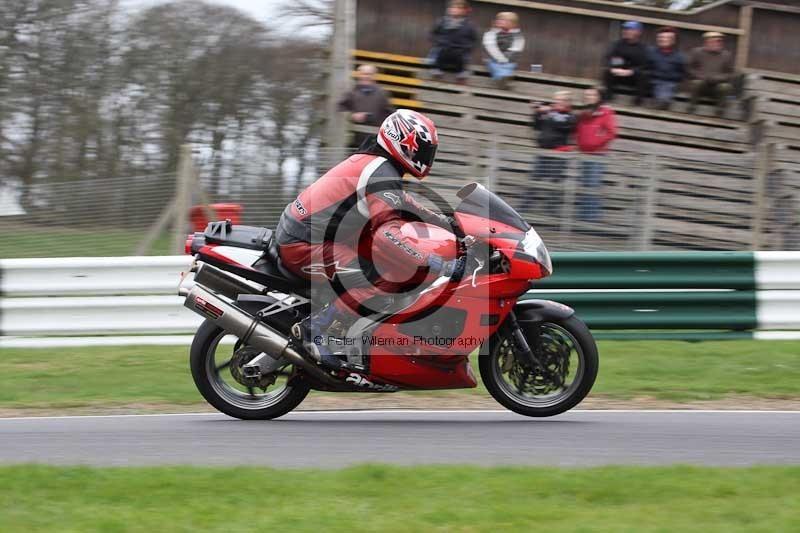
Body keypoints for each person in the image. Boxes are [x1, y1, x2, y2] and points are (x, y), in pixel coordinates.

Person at [276, 110, 462, 370]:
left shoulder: (378, 164)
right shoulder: (381, 171)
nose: (426, 156)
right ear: (405, 142)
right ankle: (314, 333)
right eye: (423, 149)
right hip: (303, 243)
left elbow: (402, 203)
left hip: (308, 235)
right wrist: (436, 263)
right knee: (379, 280)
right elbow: (387, 236)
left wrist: (449, 223)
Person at [531, 91, 576, 215]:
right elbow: (537, 126)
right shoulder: (550, 113)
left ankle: (551, 213)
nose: (557, 102)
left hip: (559, 155)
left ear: (567, 102)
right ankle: (525, 208)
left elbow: (562, 125)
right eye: (556, 100)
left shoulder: (570, 116)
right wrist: (537, 113)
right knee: (533, 181)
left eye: (560, 100)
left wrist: (548, 112)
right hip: (543, 152)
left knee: (555, 185)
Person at [575, 88, 617, 222]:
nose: (589, 97)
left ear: (598, 97)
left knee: (592, 185)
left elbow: (612, 132)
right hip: (584, 154)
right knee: (585, 184)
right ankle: (584, 216)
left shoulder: (605, 112)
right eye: (586, 94)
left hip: (597, 155)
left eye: (592, 94)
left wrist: (596, 144)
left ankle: (591, 218)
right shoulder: (583, 113)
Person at [337, 64, 395, 149]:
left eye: (369, 74)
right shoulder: (351, 93)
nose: (366, 77)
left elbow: (390, 114)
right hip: (354, 141)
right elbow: (340, 108)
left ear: (374, 76)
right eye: (363, 74)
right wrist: (352, 116)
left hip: (375, 141)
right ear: (359, 75)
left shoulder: (382, 94)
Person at [428, 0, 478, 84]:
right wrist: (439, 43)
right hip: (443, 49)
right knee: (436, 53)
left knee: (464, 58)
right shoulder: (441, 22)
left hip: (459, 52)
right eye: (452, 7)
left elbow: (474, 40)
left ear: (464, 11)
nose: (454, 9)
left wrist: (466, 47)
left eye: (458, 8)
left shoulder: (469, 25)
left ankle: (462, 73)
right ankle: (436, 69)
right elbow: (433, 34)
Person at [688, 32, 734, 116]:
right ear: (707, 42)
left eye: (719, 41)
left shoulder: (726, 55)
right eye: (714, 41)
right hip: (702, 84)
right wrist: (700, 76)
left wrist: (718, 78)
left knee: (725, 87)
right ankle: (692, 107)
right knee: (695, 83)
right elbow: (690, 68)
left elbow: (730, 73)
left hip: (717, 86)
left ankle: (720, 109)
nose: (717, 44)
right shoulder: (697, 52)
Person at [603, 20, 649, 105]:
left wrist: (631, 71)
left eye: (630, 29)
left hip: (633, 77)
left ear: (638, 32)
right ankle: (608, 97)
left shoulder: (643, 48)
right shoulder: (617, 44)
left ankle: (638, 102)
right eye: (625, 29)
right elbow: (610, 58)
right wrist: (616, 69)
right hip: (618, 74)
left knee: (644, 75)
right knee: (607, 71)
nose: (626, 31)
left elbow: (644, 65)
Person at [482, 11, 525, 90]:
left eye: (504, 20)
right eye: (499, 19)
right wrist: (501, 59)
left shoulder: (518, 36)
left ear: (512, 24)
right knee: (494, 65)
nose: (500, 21)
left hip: (509, 60)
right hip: (493, 59)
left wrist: (506, 59)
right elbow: (491, 48)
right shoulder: (490, 33)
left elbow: (516, 49)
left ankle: (502, 79)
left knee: (510, 65)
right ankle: (504, 79)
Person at [647, 27, 686, 110]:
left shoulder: (679, 57)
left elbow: (682, 74)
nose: (663, 40)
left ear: (673, 40)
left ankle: (661, 104)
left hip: (669, 82)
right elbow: (645, 67)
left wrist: (669, 76)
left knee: (665, 92)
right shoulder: (650, 52)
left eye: (666, 38)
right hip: (652, 80)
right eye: (661, 37)